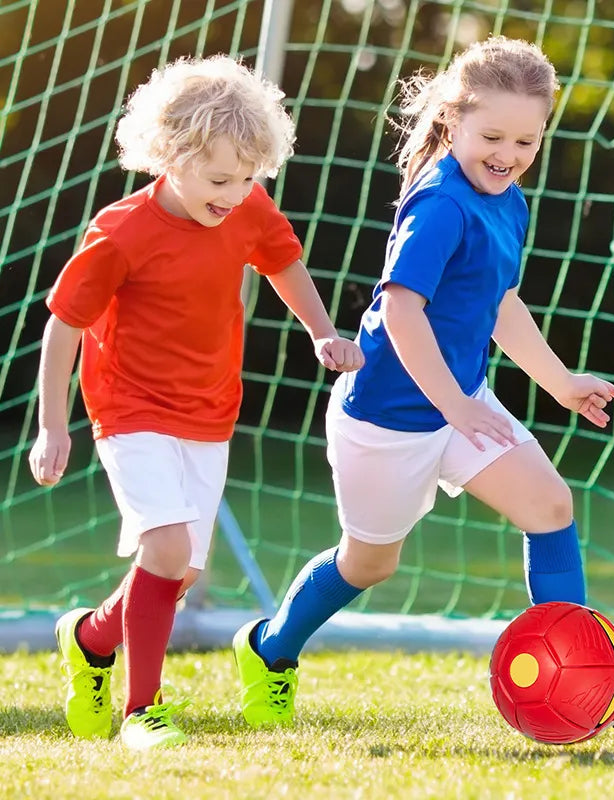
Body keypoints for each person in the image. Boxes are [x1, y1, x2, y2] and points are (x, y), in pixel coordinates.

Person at [233, 36, 614, 731]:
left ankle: (586, 688)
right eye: (491, 135)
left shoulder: (508, 199)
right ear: (453, 121)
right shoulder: (439, 202)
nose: (508, 152)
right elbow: (402, 311)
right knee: (369, 563)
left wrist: (558, 382)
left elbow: (501, 302)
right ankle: (270, 650)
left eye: (526, 139)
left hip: (460, 405)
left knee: (551, 506)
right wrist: (454, 406)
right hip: (388, 420)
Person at [28, 55, 364, 751]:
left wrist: (323, 331)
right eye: (220, 179)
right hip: (129, 408)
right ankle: (141, 713)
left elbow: (281, 261)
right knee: (167, 546)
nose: (237, 193)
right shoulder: (120, 233)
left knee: (177, 571)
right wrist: (52, 427)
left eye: (248, 178)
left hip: (210, 411)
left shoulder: (246, 206)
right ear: (172, 157)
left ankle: (90, 639)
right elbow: (63, 325)